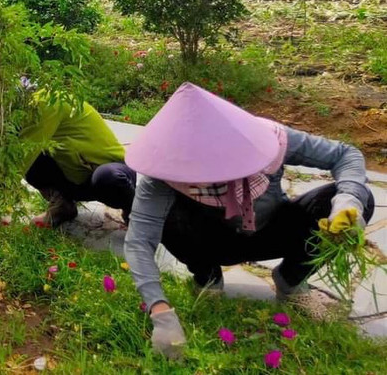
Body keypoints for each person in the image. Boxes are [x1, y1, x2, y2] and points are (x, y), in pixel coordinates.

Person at [123, 82, 374, 359]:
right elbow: (138, 241)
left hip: (269, 229)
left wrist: (347, 201)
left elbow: (345, 154)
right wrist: (160, 311)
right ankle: (207, 277)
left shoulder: (268, 137)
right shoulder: (164, 168)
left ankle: (291, 280)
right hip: (212, 240)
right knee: (166, 217)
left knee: (360, 198)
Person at [22, 89, 135, 228]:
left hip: (113, 172)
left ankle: (135, 212)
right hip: (77, 178)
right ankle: (63, 205)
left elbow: (21, 157)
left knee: (107, 177)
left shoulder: (47, 103)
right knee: (31, 158)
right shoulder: (24, 110)